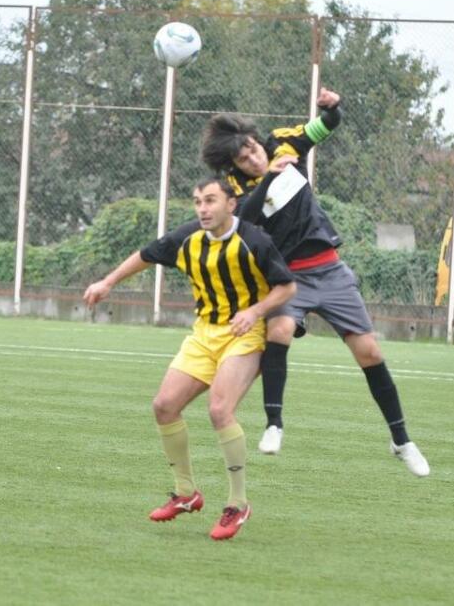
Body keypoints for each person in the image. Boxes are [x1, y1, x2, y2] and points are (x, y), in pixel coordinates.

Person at [201, 87, 430, 477]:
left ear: (257, 139)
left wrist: (332, 107)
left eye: (253, 149)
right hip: (288, 277)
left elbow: (326, 126)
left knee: (370, 353)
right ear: (232, 165)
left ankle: (401, 440)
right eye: (243, 159)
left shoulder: (284, 143)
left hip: (329, 268)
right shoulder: (235, 190)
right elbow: (246, 219)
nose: (254, 158)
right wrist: (269, 178)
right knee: (280, 330)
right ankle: (274, 424)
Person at [83, 177, 296, 541]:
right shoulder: (187, 238)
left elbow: (287, 286)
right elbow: (146, 255)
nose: (202, 208)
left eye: (210, 200)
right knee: (164, 406)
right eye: (198, 201)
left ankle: (238, 503)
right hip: (203, 335)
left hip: (244, 336)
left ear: (231, 204)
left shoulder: (254, 241)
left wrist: (255, 312)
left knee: (220, 410)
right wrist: (108, 282)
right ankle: (186, 494)